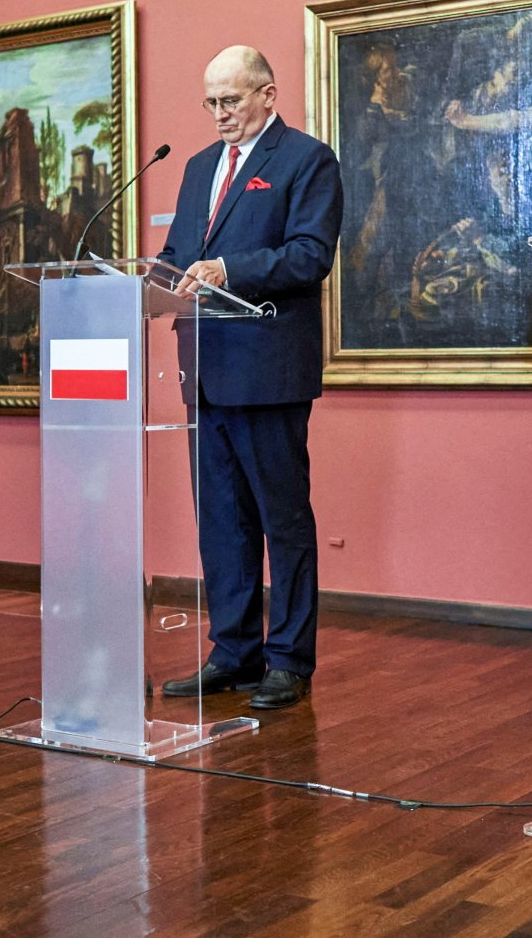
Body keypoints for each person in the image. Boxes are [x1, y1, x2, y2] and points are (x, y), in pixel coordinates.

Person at [157, 46, 343, 710]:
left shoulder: (306, 160)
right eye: (209, 103)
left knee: (280, 519)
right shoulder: (199, 167)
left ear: (267, 94)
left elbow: (309, 256)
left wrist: (229, 270)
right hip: (204, 368)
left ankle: (289, 660)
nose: (218, 116)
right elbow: (179, 255)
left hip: (268, 368)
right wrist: (136, 278)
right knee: (222, 521)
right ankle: (233, 652)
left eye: (229, 101)